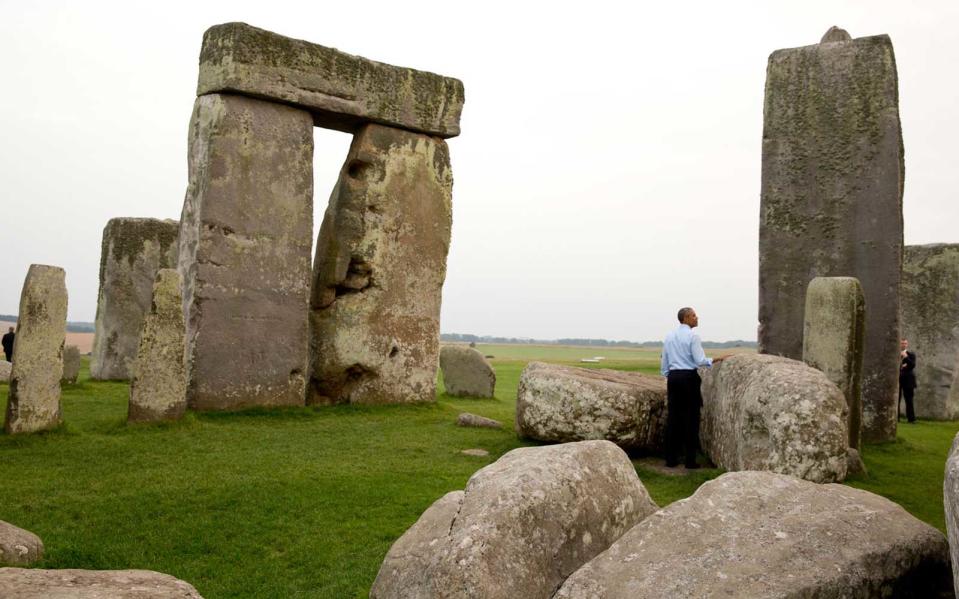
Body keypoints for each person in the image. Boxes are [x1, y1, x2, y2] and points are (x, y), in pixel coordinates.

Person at [660, 307, 727, 469]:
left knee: (674, 418)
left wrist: (669, 374)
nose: (697, 318)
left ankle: (671, 459)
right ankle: (690, 460)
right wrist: (717, 359)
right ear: (686, 318)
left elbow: (664, 362)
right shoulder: (693, 336)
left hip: (674, 377)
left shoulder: (669, 336)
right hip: (689, 378)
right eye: (694, 315)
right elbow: (699, 360)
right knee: (691, 418)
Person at [899, 338, 917, 424]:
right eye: (902, 343)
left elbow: (912, 365)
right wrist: (902, 366)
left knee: (909, 400)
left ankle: (911, 419)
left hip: (908, 380)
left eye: (905, 343)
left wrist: (906, 357)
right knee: (896, 399)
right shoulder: (894, 353)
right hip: (897, 380)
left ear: (907, 344)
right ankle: (896, 418)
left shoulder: (911, 354)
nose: (903, 345)